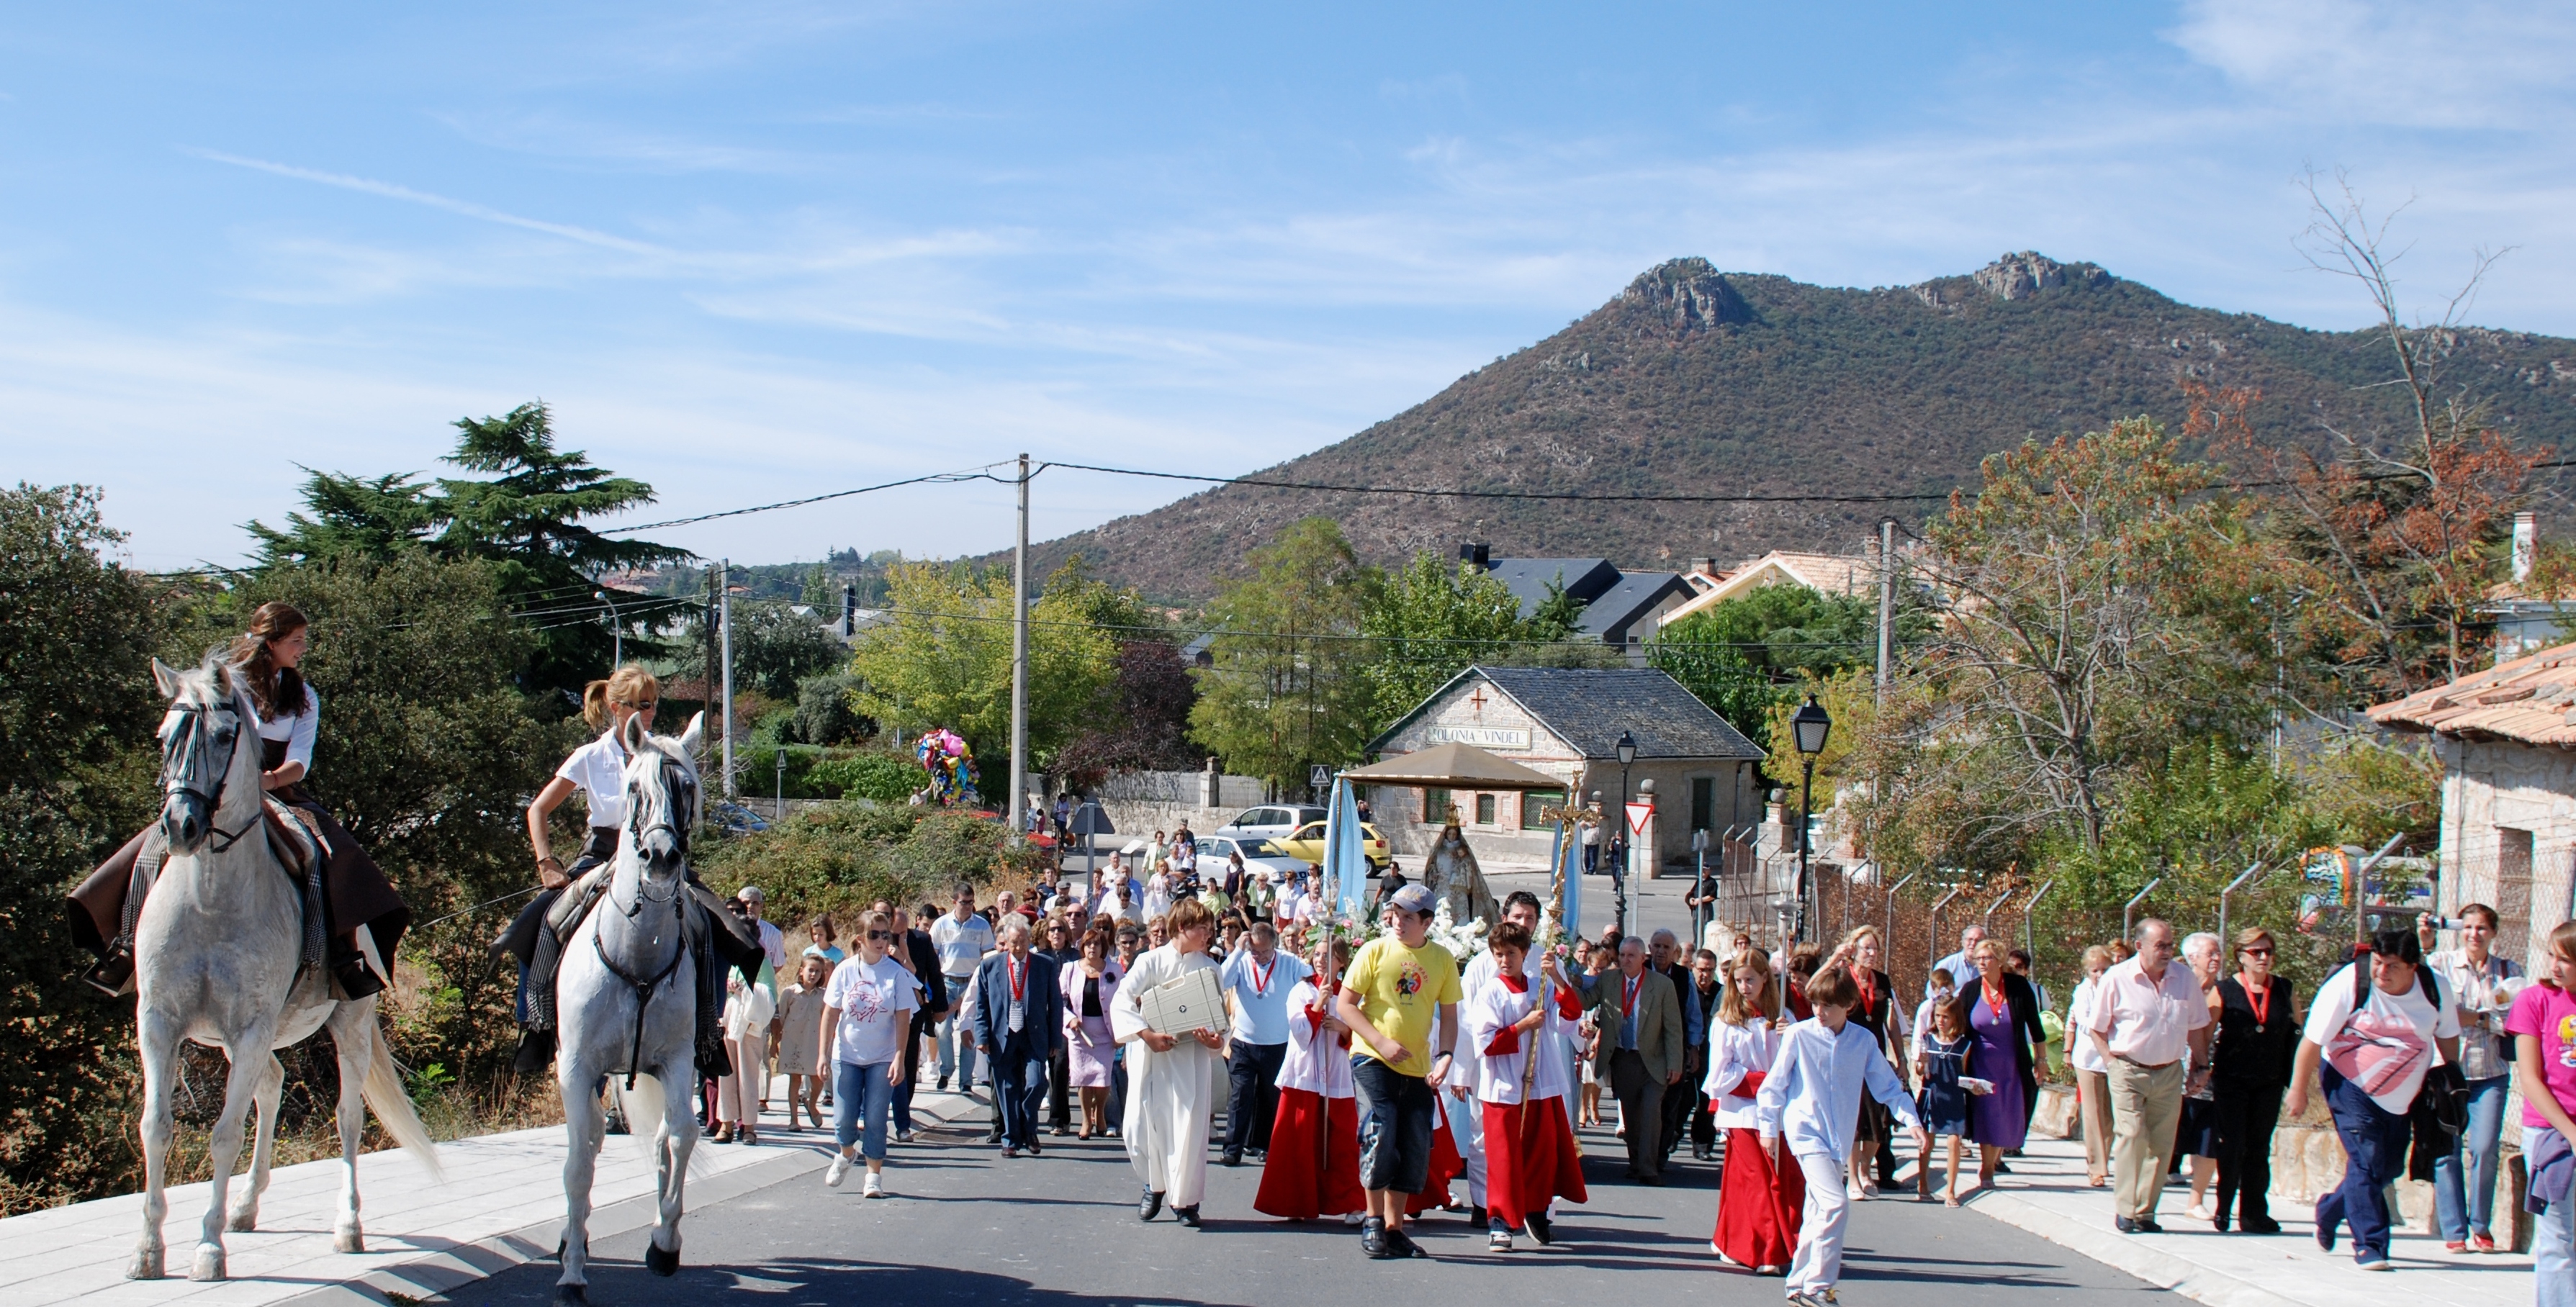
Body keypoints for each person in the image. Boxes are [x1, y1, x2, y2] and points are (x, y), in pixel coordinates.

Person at [73, 602, 413, 1007]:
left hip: (277, 788)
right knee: (152, 848)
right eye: (296, 640)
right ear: (270, 643)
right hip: (216, 789)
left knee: (323, 854)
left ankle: (342, 956)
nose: (303, 648)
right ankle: (126, 946)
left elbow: (300, 761)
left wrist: (266, 780)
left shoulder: (304, 694)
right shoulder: (225, 685)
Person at [2286, 929, 2460, 1271]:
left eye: (2392, 966)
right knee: (2366, 1159)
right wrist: (2297, 1089)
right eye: (2378, 963)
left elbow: (2448, 1035)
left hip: (2402, 1094)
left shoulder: (2434, 988)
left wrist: (2450, 1080)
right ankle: (2371, 1245)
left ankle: (2332, 1208)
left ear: (2413, 966)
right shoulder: (2350, 982)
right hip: (2349, 1083)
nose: (2381, 972)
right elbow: (2312, 1041)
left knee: (2388, 1167)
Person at [1757, 965, 1928, 1307]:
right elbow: (1772, 1087)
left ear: (1848, 1005)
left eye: (1828, 1006)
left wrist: (1911, 1120)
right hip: (1805, 1133)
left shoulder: (1863, 1040)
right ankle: (1818, 1286)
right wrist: (1768, 1129)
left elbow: (1888, 1086)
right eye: (1816, 1004)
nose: (1820, 1012)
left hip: (1838, 1137)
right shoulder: (1799, 1035)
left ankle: (1798, 1282)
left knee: (1818, 1211)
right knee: (1836, 1204)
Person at [1334, 882, 1465, 1259]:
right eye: (1395, 914)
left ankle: (1395, 1228)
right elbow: (1346, 1005)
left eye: (1408, 917)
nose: (1398, 922)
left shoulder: (1441, 960)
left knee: (1414, 1141)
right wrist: (1381, 1042)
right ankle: (1373, 1220)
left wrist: (1445, 1056)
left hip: (1417, 1067)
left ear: (1426, 922)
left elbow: (1451, 1016)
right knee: (1381, 1126)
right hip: (1372, 1058)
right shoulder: (1375, 951)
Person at [1462, 921, 1588, 1252]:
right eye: (1499, 954)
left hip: (1539, 1082)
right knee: (1503, 1156)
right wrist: (1523, 1025)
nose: (1506, 960)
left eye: (1512, 954)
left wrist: (1558, 978)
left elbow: (1569, 1017)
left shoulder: (1541, 985)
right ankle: (1500, 1222)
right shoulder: (1490, 992)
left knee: (1539, 1153)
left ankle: (1536, 1210)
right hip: (1503, 1085)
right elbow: (1486, 1042)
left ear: (1525, 954)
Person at [2084, 918, 2211, 1234]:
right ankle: (2126, 1208)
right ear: (2139, 946)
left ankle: (2145, 1212)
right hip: (2128, 1068)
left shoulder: (2184, 980)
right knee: (2131, 1135)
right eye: (2161, 946)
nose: (2167, 952)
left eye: (2170, 945)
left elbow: (2196, 1027)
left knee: (2161, 1143)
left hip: (2169, 1071)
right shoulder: (2117, 978)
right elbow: (2097, 1028)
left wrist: (2201, 1065)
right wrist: (2111, 1062)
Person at [1113, 896, 1225, 1226]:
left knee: (1186, 1128)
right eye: (1202, 928)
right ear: (1182, 928)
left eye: (1209, 929)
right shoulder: (1149, 962)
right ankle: (1153, 1185)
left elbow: (1221, 1022)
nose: (1208, 935)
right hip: (1151, 1057)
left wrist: (1215, 1041)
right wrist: (1146, 1034)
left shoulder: (1210, 968)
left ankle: (1186, 1203)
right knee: (1138, 1126)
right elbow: (1122, 1001)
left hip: (1190, 1060)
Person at [2422, 903, 2521, 1253]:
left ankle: (2481, 1224)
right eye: (2467, 927)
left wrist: (2473, 1019)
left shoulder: (2509, 972)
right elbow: (2426, 1005)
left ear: (2493, 933)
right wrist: (2424, 945)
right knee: (2447, 1150)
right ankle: (2454, 1229)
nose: (2474, 935)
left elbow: (2511, 1021)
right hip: (2448, 1073)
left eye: (2481, 928)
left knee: (2484, 1149)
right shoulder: (2440, 965)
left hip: (2490, 1073)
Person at [1449, 890, 1549, 1224]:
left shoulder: (1546, 962)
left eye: (1530, 918)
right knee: (1484, 1137)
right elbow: (1467, 1022)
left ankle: (1533, 1207)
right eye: (1517, 917)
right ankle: (1484, 1202)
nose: (1524, 923)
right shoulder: (1483, 965)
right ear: (1504, 918)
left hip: (1535, 1068)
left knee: (1534, 1140)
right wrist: (1461, 1071)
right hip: (1490, 1063)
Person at [1256, 939, 1366, 1224]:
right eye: (1317, 954)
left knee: (1342, 1142)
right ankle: (1295, 1200)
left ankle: (1351, 1202)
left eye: (1328, 955)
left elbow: (1362, 1035)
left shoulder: (1350, 996)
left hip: (1336, 1074)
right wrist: (1318, 1004)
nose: (1320, 960)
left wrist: (1344, 1029)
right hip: (1304, 1074)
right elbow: (1301, 1033)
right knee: (1299, 1140)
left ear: (1341, 961)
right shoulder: (1300, 990)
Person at [1707, 947, 1798, 1272]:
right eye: (1738, 980)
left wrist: (1793, 1040)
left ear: (1765, 980)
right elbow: (1719, 1073)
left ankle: (1732, 1241)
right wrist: (1763, 1082)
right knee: (1759, 1182)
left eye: (1751, 980)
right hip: (1743, 1112)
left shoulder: (1785, 1018)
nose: (1744, 986)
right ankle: (1769, 1251)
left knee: (1773, 1181)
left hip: (1778, 1114)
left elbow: (1798, 1064)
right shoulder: (1726, 1022)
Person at [822, 910, 919, 1199]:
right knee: (844, 1119)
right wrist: (822, 1055)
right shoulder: (845, 970)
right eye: (874, 935)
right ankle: (846, 1153)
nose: (880, 940)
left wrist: (899, 1057)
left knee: (876, 1119)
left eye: (884, 934)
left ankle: (873, 1175)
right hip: (847, 1055)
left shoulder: (896, 974)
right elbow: (830, 1013)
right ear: (860, 939)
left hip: (882, 1057)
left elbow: (904, 1018)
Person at [2505, 920, 2576, 1303]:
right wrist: (2571, 1133)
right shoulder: (2535, 1000)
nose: (2555, 966)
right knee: (2559, 1236)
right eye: (2552, 955)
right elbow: (2531, 1079)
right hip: (2551, 1133)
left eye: (2566, 959)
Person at [2210, 927, 2294, 1234]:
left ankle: (2254, 1213)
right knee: (2232, 1145)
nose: (2263, 958)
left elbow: (2296, 1033)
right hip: (2231, 1079)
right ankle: (2224, 1207)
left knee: (2259, 1147)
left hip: (2269, 1079)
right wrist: (2200, 1068)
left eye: (2268, 952)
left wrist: (2296, 1080)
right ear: (2240, 957)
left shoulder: (2284, 989)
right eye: (2256, 952)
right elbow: (2204, 1034)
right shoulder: (2223, 990)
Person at [1585, 935, 1688, 1185]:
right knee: (1631, 1115)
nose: (1625, 960)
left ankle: (1648, 1168)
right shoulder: (1609, 980)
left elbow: (1673, 1028)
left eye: (1631, 955)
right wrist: (1561, 979)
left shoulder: (1662, 985)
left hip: (1653, 1060)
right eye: (1621, 955)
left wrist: (1675, 1063)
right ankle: (1635, 1163)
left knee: (1651, 1112)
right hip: (1623, 1059)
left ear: (1644, 958)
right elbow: (1585, 1001)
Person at [1220, 921, 1311, 1167]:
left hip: (1277, 1044)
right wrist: (1238, 951)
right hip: (1244, 1043)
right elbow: (1222, 981)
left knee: (1271, 1097)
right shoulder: (1242, 960)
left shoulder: (1288, 962)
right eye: (1255, 951)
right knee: (1240, 1097)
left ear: (1275, 946)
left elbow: (1311, 977)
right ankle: (1232, 1149)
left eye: (1265, 952)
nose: (1259, 957)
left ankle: (1266, 1145)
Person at [973, 915, 1063, 1158]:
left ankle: (1028, 1125)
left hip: (1033, 1035)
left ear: (1029, 941)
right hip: (1003, 1036)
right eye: (1013, 942)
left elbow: (1055, 1005)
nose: (1019, 947)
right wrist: (981, 1036)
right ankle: (1011, 1140)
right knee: (1008, 1088)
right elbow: (981, 1006)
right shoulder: (990, 967)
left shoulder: (1044, 965)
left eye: (1023, 941)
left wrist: (1056, 1040)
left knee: (1036, 1083)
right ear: (1005, 942)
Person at [1821, 924, 1901, 1195]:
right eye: (1867, 948)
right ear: (1854, 950)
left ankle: (1866, 1167)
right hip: (1847, 1055)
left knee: (1878, 1116)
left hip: (1875, 1054)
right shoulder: (1844, 978)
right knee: (1854, 1118)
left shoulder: (1883, 981)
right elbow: (1817, 990)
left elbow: (1892, 1020)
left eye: (1876, 948)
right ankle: (1853, 1176)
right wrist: (1833, 958)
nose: (1872, 953)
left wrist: (1900, 1056)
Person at [1962, 937, 2043, 1190]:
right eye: (1978, 959)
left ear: (1999, 960)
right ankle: (1987, 1168)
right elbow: (1960, 1027)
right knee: (1987, 1114)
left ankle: (1994, 1160)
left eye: (1987, 958)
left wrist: (2041, 1060)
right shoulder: (1971, 990)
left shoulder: (2019, 987)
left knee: (2006, 1114)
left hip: (2013, 1063)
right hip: (1981, 1063)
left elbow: (2036, 1026)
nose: (1982, 963)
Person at [2171, 932, 2225, 1221]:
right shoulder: (2177, 987)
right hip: (2174, 1076)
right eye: (2210, 954)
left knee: (2208, 1137)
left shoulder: (2224, 992)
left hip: (2212, 1079)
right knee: (2169, 1138)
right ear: (2193, 958)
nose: (2216, 958)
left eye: (2218, 953)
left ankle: (2196, 1200)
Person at [888, 905, 948, 1142]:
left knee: (909, 1060)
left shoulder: (922, 941)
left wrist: (939, 1007)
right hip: (885, 1013)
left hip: (914, 1010)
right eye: (895, 933)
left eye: (904, 932)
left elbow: (934, 973)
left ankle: (904, 1107)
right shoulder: (880, 944)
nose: (899, 937)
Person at [1651, 929, 1709, 1171]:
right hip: (1645, 1051)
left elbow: (1694, 1015)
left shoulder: (1683, 976)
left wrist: (1694, 1049)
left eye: (1666, 948)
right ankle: (1642, 1155)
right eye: (1657, 946)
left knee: (1669, 1107)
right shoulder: (1640, 969)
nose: (1661, 952)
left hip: (1675, 1050)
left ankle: (1659, 1156)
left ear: (1674, 952)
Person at [931, 885, 996, 1093]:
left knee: (968, 1032)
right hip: (946, 982)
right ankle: (947, 1069)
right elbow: (933, 956)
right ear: (954, 902)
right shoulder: (941, 925)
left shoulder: (982, 925)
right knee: (942, 1029)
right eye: (964, 902)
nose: (968, 906)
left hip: (972, 982)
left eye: (971, 902)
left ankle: (965, 1081)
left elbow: (988, 956)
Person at [1061, 924, 1124, 1139]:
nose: (1092, 948)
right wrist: (1069, 1019)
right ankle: (1087, 1120)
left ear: (1103, 947)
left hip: (1107, 1033)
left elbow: (1124, 1002)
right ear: (1082, 947)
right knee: (1084, 1078)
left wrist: (1121, 1033)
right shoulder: (1070, 969)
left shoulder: (1114, 970)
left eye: (1097, 944)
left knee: (1103, 1078)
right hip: (1080, 1034)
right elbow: (1058, 1001)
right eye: (1088, 944)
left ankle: (1101, 1112)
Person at [1916, 989, 1976, 1206]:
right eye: (1938, 1016)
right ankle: (1923, 1184)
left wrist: (1975, 1086)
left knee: (1953, 1143)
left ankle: (1950, 1191)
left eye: (1946, 1016)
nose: (1941, 1021)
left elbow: (1965, 1074)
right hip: (1932, 1097)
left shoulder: (1964, 1045)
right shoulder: (1928, 1040)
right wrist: (1921, 1063)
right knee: (1926, 1143)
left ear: (1955, 1018)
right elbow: (1920, 1071)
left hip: (1954, 1099)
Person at [2066, 945, 2115, 1188]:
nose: (2100, 975)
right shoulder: (2083, 991)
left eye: (2105, 969)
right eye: (2095, 970)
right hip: (2089, 1059)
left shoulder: (2119, 989)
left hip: (2115, 1058)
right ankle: (2096, 1167)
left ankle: (2104, 1158)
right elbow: (2085, 1022)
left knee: (2110, 1117)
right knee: (2093, 1114)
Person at [715, 970, 773, 1144]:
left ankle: (749, 1127)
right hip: (728, 1020)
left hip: (751, 1026)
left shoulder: (763, 961)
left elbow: (770, 994)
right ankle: (726, 1125)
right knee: (726, 1076)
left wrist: (744, 990)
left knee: (748, 1078)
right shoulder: (731, 962)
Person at [776, 954, 831, 1131]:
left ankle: (812, 1104)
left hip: (815, 1042)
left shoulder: (824, 995)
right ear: (802, 971)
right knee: (795, 1079)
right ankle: (794, 1119)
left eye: (818, 971)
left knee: (818, 1080)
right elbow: (781, 1018)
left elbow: (827, 1019)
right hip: (794, 1042)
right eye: (811, 970)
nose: (814, 974)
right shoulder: (790, 993)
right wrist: (776, 1041)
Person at [1686, 949, 1725, 1161]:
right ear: (1694, 968)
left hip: (1711, 1054)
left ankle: (1702, 1144)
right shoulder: (1687, 990)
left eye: (1710, 970)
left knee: (1706, 1100)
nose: (1705, 975)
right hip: (1687, 1050)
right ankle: (1672, 1134)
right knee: (1684, 1097)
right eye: (1701, 970)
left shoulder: (1721, 993)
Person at [1927, 924, 1986, 998]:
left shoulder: (1988, 966)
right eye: (1970, 939)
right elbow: (1931, 992)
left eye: (1978, 940)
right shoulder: (1947, 965)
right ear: (1963, 942)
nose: (1973, 943)